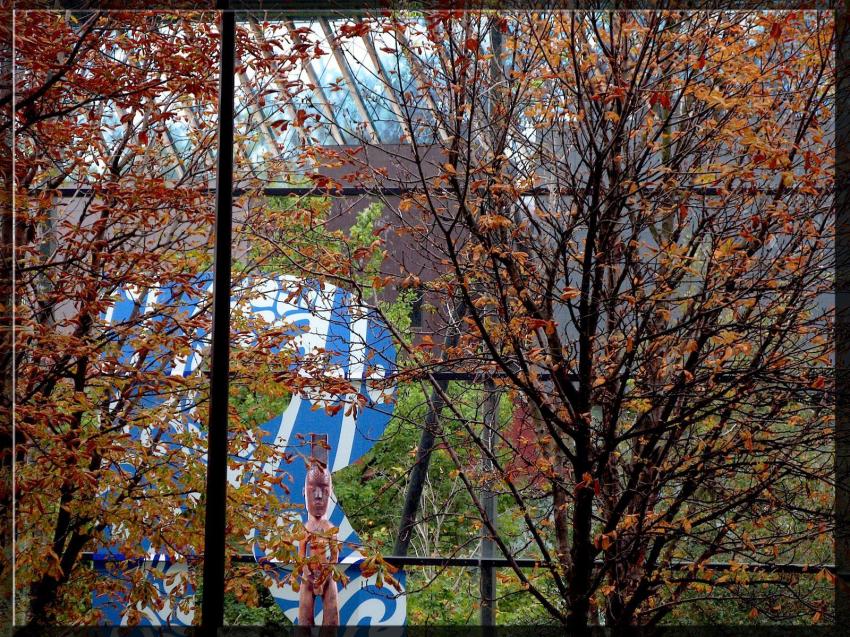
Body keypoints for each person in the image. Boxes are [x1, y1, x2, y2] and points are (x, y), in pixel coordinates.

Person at [297, 457, 340, 627]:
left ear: (331, 492)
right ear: (304, 492)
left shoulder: (331, 529)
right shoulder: (305, 529)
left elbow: (334, 555)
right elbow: (301, 554)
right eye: (312, 489)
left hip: (327, 576)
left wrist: (325, 575)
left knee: (331, 620)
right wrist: (307, 572)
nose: (318, 496)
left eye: (324, 489)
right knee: (304, 621)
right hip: (308, 577)